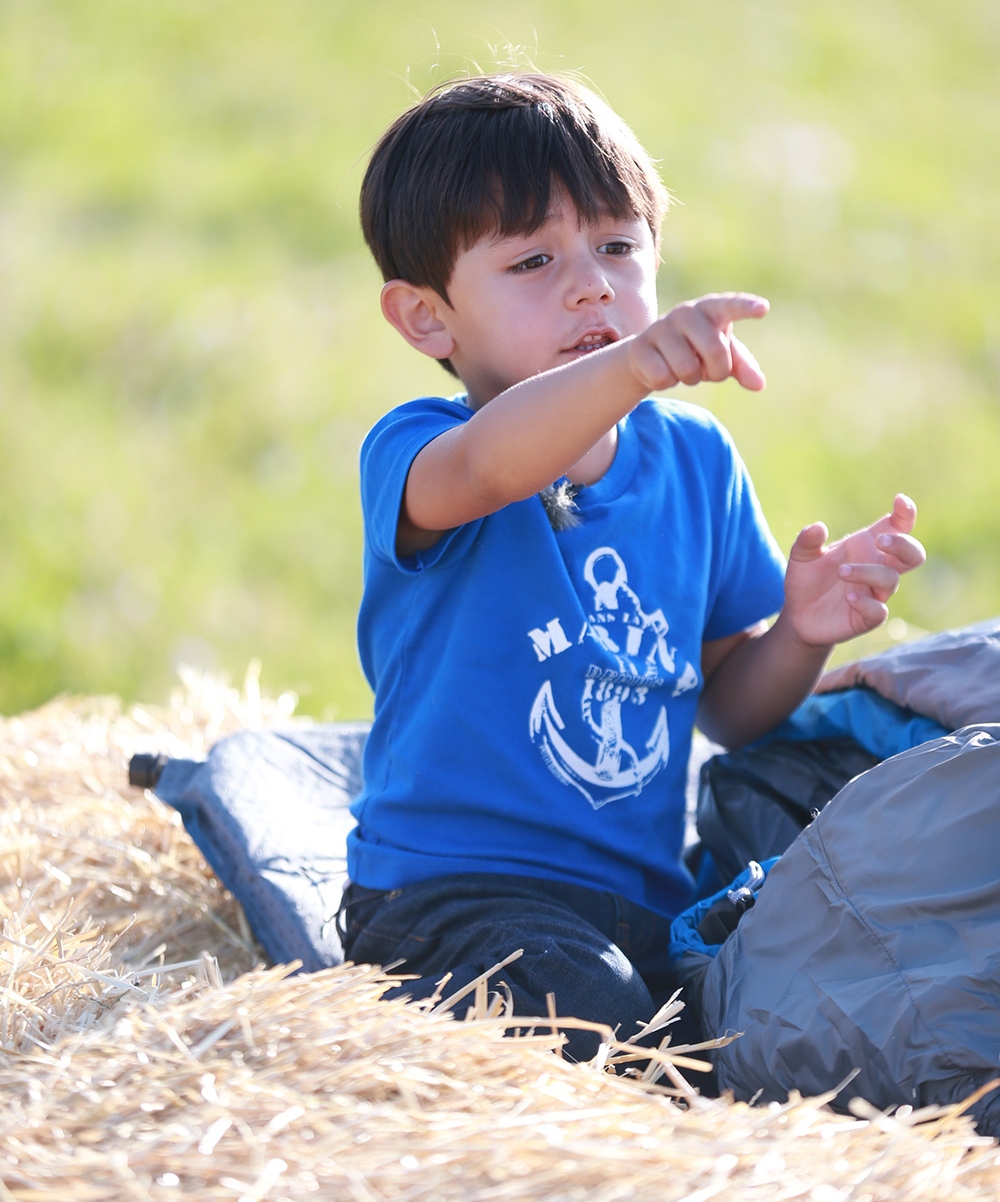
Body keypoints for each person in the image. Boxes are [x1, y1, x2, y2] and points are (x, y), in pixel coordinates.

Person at [338, 71, 925, 1058]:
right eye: (533, 261)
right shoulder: (421, 451)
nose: (590, 285)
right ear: (428, 318)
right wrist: (633, 365)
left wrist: (799, 632)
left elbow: (727, 710)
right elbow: (493, 467)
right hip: (445, 898)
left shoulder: (695, 462)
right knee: (595, 1014)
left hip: (639, 906)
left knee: (780, 1029)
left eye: (616, 246)